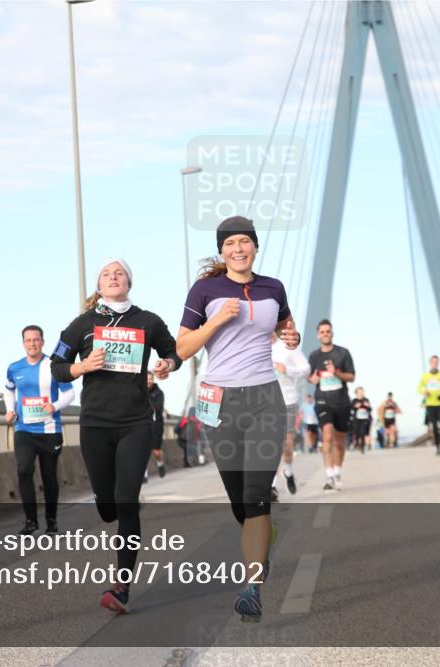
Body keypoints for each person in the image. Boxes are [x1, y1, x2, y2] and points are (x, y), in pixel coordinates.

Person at [176, 216, 300, 623]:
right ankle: (262, 537)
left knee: (255, 497)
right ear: (222, 251)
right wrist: (215, 321)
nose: (238, 249)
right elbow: (182, 348)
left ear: (255, 246)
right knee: (239, 502)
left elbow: (285, 322)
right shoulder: (205, 290)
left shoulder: (273, 287)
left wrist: (291, 335)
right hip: (221, 402)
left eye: (244, 241)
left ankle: (252, 588)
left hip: (265, 398)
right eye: (230, 243)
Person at [50, 258, 181, 614]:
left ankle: (121, 586)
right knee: (107, 507)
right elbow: (57, 366)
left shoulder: (147, 321)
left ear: (129, 282)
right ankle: (104, 499)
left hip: (136, 421)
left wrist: (166, 365)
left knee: (127, 500)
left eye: (119, 273)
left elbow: (173, 352)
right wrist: (82, 366)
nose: (113, 277)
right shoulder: (82, 325)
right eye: (106, 274)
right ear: (99, 285)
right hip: (95, 423)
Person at [5, 325, 75, 535]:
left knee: (49, 477)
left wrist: (55, 406)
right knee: (24, 470)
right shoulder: (14, 368)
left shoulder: (53, 366)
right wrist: (9, 410)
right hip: (24, 429)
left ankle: (51, 521)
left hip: (50, 430)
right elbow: (9, 390)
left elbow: (69, 394)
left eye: (36, 340)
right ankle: (30, 521)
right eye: (28, 340)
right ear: (23, 343)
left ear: (42, 342)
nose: (32, 344)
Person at [308, 320, 356, 490]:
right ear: (318, 335)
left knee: (340, 441)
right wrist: (311, 379)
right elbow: (311, 377)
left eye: (328, 331)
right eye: (322, 331)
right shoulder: (314, 356)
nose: (325, 334)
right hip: (322, 401)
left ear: (332, 333)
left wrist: (336, 372)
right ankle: (329, 476)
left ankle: (337, 471)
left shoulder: (343, 353)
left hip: (342, 401)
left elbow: (351, 377)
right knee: (327, 436)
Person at [270, 329, 310, 499]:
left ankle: (288, 471)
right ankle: (271, 486)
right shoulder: (257, 348)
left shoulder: (287, 347)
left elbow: (306, 368)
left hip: (288, 401)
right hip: (266, 403)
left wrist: (287, 369)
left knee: (287, 443)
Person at [418, 355, 440, 455]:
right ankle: (438, 448)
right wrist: (424, 392)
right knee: (434, 427)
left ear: (438, 363)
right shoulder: (425, 376)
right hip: (430, 405)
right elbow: (419, 389)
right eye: (433, 362)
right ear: (430, 363)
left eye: (436, 362)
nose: (435, 363)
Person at [142, 370, 166, 482]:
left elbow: (159, 408)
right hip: (142, 423)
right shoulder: (139, 390)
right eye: (147, 379)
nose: (149, 382)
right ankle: (144, 475)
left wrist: (148, 400)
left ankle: (160, 464)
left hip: (156, 424)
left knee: (156, 451)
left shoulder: (159, 393)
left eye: (151, 379)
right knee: (142, 450)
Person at [350, 387, 372, 453]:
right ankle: (355, 443)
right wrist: (355, 406)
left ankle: (366, 445)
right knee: (356, 432)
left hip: (365, 419)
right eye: (359, 392)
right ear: (356, 393)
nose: (361, 393)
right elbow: (351, 409)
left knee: (365, 432)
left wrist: (367, 406)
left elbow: (370, 409)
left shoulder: (366, 400)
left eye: (362, 392)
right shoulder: (354, 400)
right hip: (357, 419)